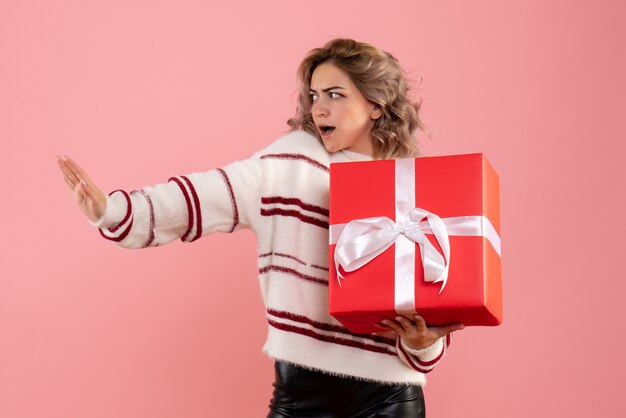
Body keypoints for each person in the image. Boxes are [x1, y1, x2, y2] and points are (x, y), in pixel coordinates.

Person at [57, 38, 464, 417]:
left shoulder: (412, 188)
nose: (319, 108)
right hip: (301, 395)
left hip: (391, 398)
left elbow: (427, 326)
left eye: (335, 95)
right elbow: (204, 194)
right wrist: (112, 211)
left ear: (376, 104)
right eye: (315, 95)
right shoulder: (288, 164)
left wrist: (422, 343)